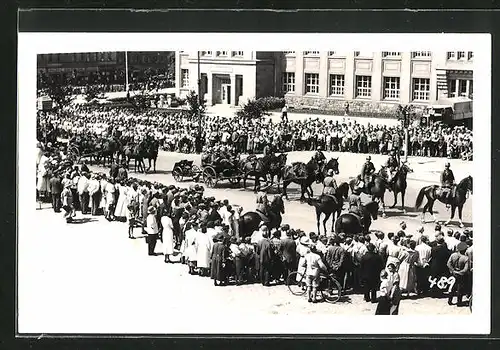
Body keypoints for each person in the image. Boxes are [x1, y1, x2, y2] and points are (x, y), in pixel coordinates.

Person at [447, 242, 470, 306]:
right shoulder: (465, 258)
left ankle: (450, 300)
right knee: (460, 288)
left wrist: (453, 271)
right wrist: (459, 273)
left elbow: (448, 264)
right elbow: (466, 269)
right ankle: (459, 302)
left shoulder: (453, 255)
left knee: (452, 287)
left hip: (453, 274)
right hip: (461, 276)